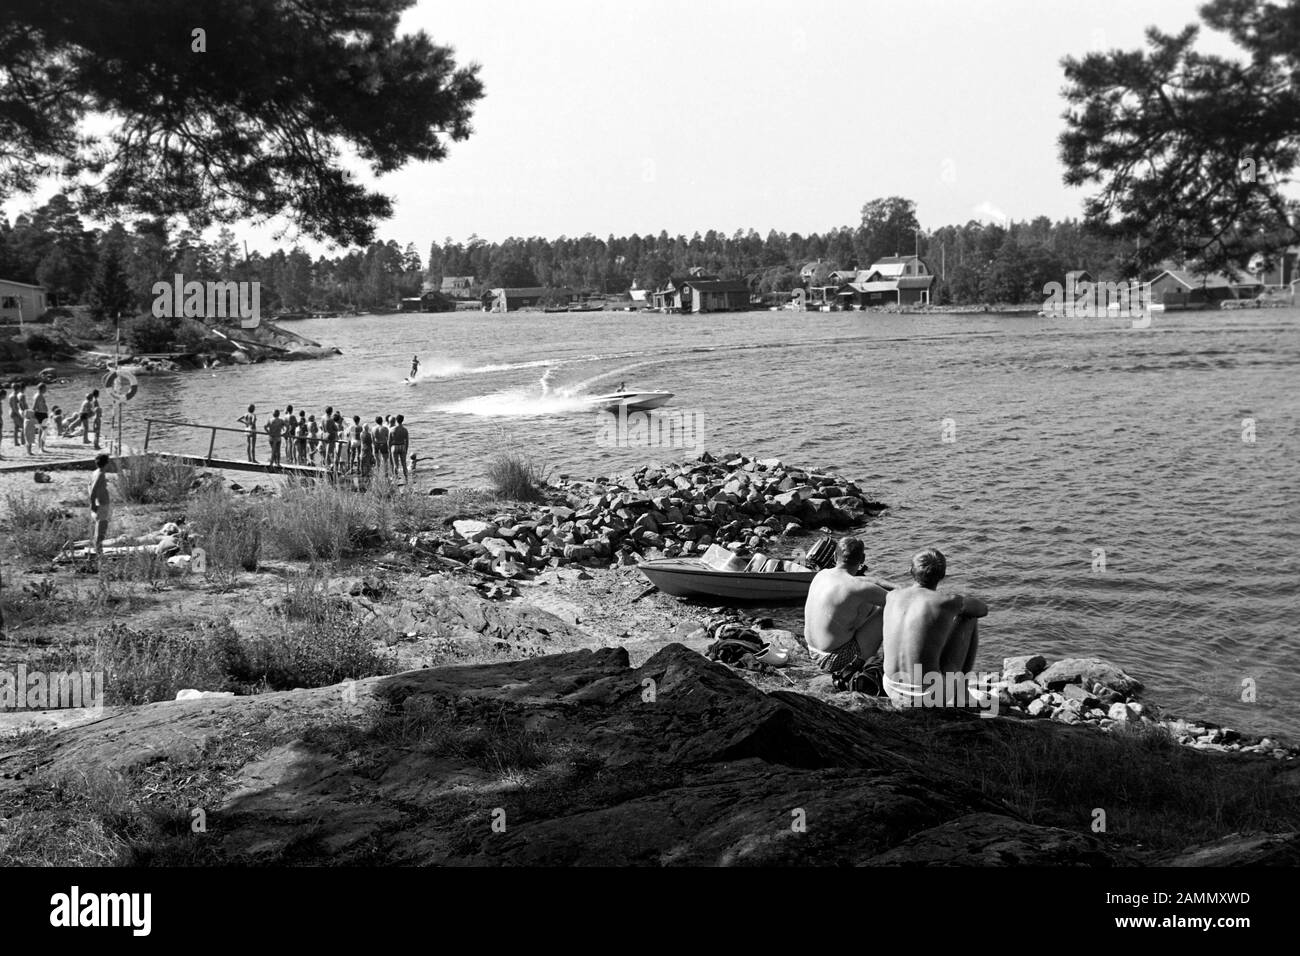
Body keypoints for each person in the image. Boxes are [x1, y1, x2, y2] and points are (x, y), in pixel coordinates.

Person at [881, 548, 989, 708]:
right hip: (928, 695)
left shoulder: (892, 596)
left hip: (891, 687)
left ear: (910, 570)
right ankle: (962, 693)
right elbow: (982, 609)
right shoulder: (947, 602)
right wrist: (959, 603)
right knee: (969, 617)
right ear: (943, 575)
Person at [803, 537, 892, 689]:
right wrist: (905, 590)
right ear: (862, 559)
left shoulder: (821, 574)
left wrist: (883, 582)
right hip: (836, 660)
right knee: (888, 609)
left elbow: (865, 581)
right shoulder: (857, 587)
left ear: (834, 556)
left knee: (866, 604)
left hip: (813, 651)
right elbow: (900, 601)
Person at [88, 453, 113, 563]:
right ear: (106, 463)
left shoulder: (95, 473)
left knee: (99, 528)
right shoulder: (100, 474)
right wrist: (92, 503)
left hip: (99, 503)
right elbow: (93, 490)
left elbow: (89, 487)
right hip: (101, 505)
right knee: (101, 529)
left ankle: (97, 550)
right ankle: (99, 553)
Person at [389, 414, 409, 481]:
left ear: (396, 420)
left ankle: (396, 479)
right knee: (404, 464)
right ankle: (406, 478)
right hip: (402, 446)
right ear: (402, 420)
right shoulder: (405, 430)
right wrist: (406, 450)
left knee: (395, 465)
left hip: (394, 447)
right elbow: (407, 441)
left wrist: (389, 449)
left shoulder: (392, 429)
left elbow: (389, 441)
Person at [6, 383, 21, 449]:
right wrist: (20, 415)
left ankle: (16, 442)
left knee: (16, 427)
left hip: (11, 411)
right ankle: (22, 441)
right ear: (18, 389)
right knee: (22, 426)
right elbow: (15, 407)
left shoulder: (11, 395)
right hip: (14, 412)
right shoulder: (14, 396)